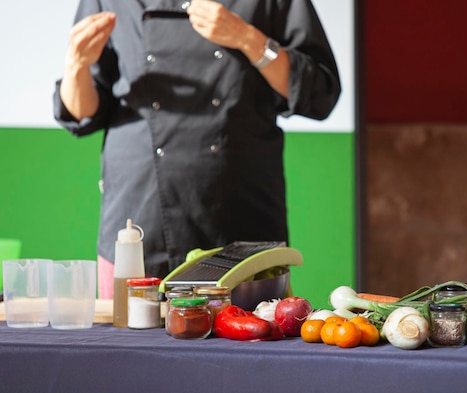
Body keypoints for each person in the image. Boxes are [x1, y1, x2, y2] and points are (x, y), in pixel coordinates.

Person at [53, 0, 341, 298]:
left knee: (251, 339)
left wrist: (246, 37)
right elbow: (82, 111)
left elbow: (320, 92)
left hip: (240, 209)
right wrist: (77, 64)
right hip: (140, 215)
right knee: (132, 341)